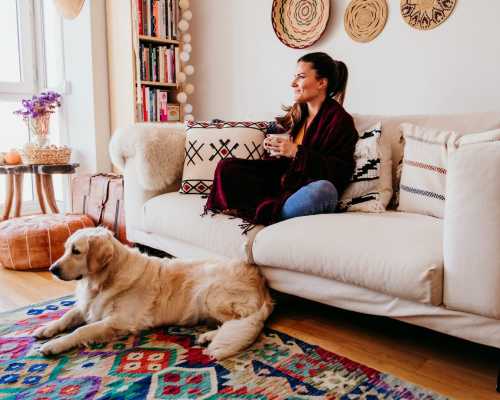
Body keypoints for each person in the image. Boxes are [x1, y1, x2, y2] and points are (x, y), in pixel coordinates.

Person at [204, 52, 359, 227]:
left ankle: (269, 214)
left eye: (300, 77)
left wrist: (295, 151)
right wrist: (277, 148)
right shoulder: (299, 113)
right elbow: (287, 163)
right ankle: (265, 209)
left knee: (324, 191)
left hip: (308, 188)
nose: (293, 83)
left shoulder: (340, 120)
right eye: (294, 77)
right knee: (228, 167)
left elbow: (339, 171)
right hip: (285, 183)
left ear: (322, 83)